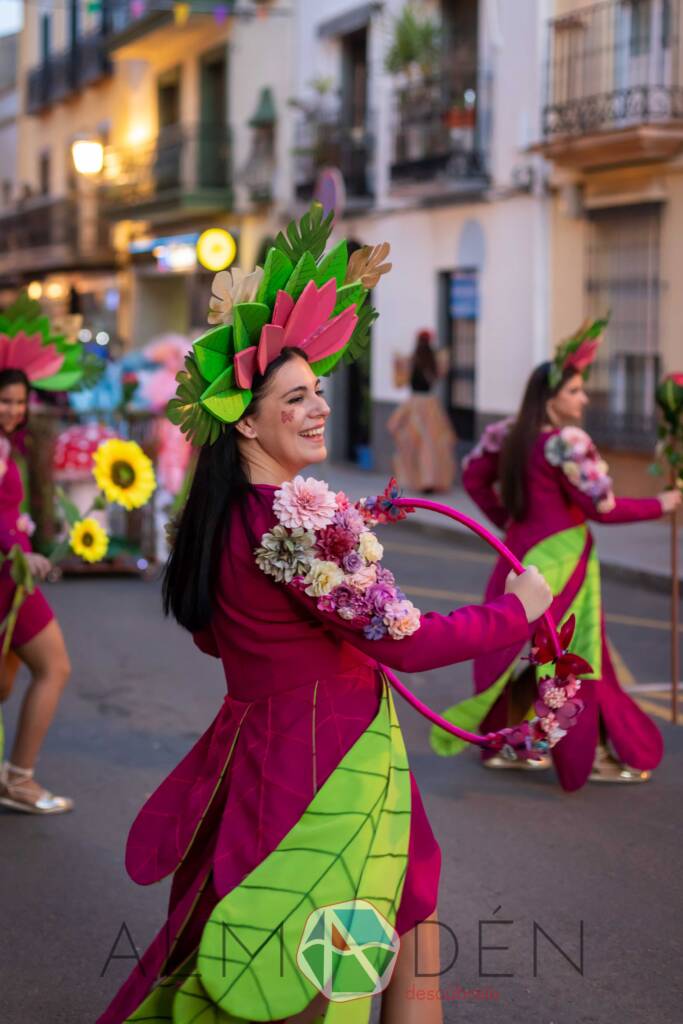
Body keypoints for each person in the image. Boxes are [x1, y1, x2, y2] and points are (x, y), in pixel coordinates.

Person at [97, 213, 552, 1024]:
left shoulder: (224, 514)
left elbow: (215, 634)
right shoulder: (293, 520)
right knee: (309, 965)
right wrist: (513, 614)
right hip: (320, 759)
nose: (317, 411)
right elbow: (404, 642)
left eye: (319, 395)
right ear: (245, 419)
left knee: (405, 906)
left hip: (277, 741)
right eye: (295, 398)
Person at [446, 319, 681, 791]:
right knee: (574, 656)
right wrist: (665, 503)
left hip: (518, 555)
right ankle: (589, 756)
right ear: (550, 397)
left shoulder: (512, 435)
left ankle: (507, 745)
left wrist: (509, 524)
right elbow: (605, 509)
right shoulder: (566, 442)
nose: (584, 399)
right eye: (575, 390)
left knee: (520, 650)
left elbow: (473, 478)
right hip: (564, 560)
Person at [0, 369, 72, 813]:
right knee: (55, 667)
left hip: (14, 575)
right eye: (5, 402)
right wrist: (18, 550)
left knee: (4, 684)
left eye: (20, 402)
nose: (14, 410)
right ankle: (20, 780)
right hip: (9, 576)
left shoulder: (9, 445)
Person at [387, 329, 456, 493]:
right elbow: (443, 368)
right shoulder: (434, 360)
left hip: (414, 405)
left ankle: (419, 480)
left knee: (412, 443)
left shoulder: (411, 361)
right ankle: (430, 479)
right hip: (431, 405)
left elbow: (400, 381)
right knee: (433, 444)